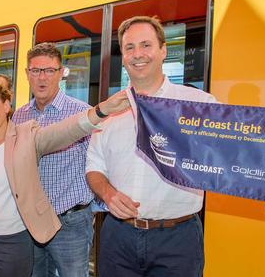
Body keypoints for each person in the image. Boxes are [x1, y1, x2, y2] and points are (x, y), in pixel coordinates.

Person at [0, 81, 129, 277]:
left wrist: (101, 111)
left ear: (6, 106)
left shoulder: (27, 135)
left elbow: (65, 130)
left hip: (12, 241)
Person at [85, 16, 217, 276]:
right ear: (122, 57)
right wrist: (108, 194)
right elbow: (94, 166)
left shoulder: (200, 105)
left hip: (177, 239)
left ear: (163, 50)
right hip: (117, 237)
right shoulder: (109, 111)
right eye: (129, 48)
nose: (138, 54)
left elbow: (227, 155)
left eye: (146, 45)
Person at [9, 42, 93, 277]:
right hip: (32, 220)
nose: (42, 78)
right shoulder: (19, 115)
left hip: (71, 221)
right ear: (27, 74)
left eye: (49, 70)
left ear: (61, 73)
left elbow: (97, 165)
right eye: (35, 71)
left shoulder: (82, 114)